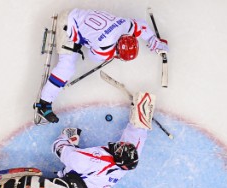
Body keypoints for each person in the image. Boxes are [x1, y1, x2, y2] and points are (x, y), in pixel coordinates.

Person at [0, 115, 149, 188]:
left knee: (24, 182)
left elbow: (59, 149)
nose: (120, 145)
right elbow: (136, 139)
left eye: (120, 148)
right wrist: (141, 116)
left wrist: (66, 137)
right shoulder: (124, 165)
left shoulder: (97, 162)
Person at [34, 8, 169, 123]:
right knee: (67, 67)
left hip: (78, 15)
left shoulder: (127, 25)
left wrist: (153, 40)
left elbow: (142, 25)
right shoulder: (104, 46)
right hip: (68, 25)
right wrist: (112, 53)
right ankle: (43, 104)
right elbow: (93, 57)